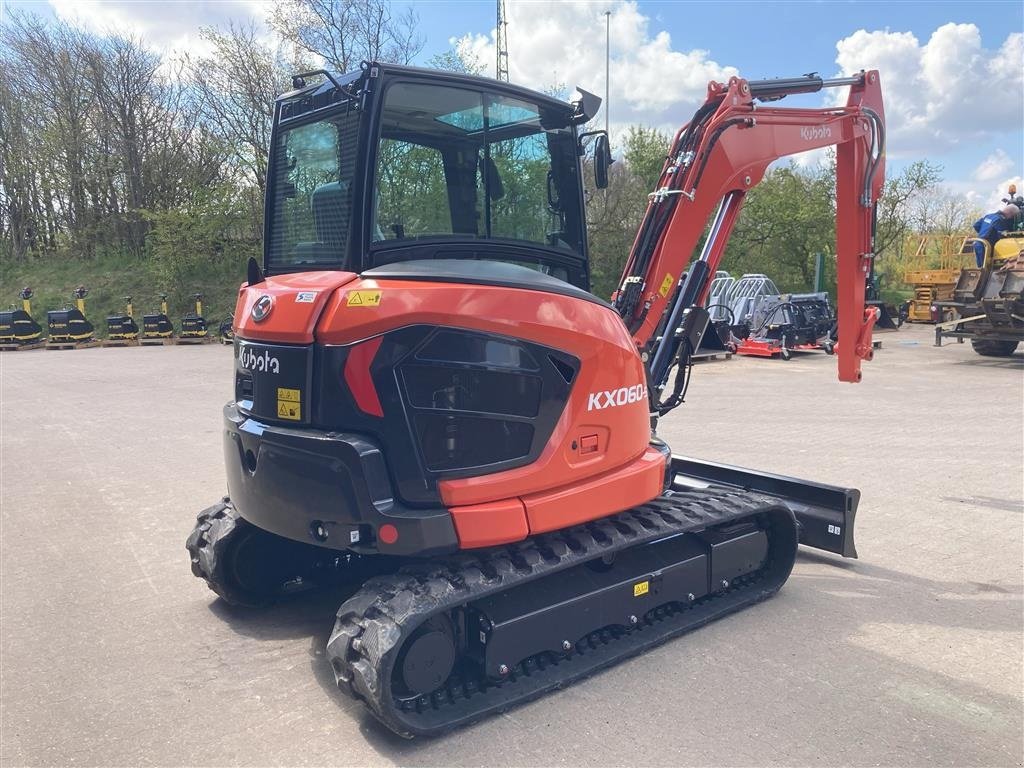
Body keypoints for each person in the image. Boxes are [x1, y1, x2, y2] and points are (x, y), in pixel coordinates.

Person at [972, 203, 1020, 267]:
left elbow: (976, 225)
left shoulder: (988, 216)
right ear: (1010, 213)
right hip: (987, 246)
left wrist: (982, 234)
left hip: (978, 243)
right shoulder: (1000, 220)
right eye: (1012, 216)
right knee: (986, 268)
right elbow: (1002, 234)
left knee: (981, 268)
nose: (1011, 218)